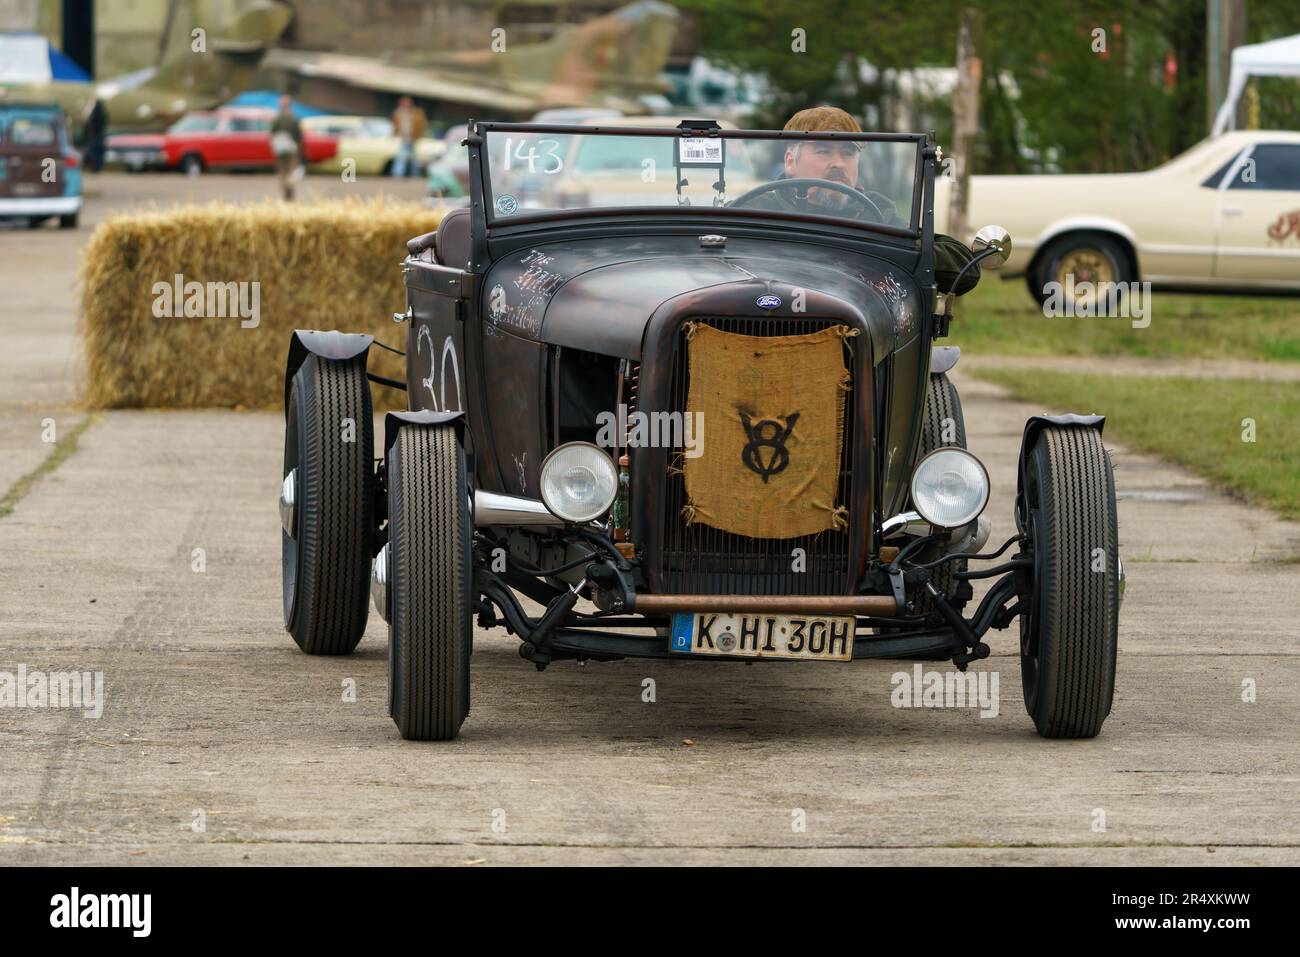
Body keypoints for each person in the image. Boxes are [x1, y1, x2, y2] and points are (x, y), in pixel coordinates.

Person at [745, 106, 979, 295]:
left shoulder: (877, 215)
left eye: (848, 153)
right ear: (790, 162)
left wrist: (887, 248)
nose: (838, 163)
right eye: (823, 151)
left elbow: (965, 270)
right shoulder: (757, 211)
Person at [270, 94, 304, 201]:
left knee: (282, 171)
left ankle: (285, 192)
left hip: (280, 148)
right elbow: (299, 135)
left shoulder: (277, 118)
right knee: (291, 170)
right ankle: (290, 192)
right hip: (292, 148)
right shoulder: (294, 118)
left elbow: (273, 133)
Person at [390, 96, 427, 178]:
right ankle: (398, 174)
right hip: (403, 138)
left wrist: (419, 135)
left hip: (413, 138)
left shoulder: (417, 112)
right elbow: (395, 125)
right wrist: (394, 135)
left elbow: (422, 125)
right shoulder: (398, 113)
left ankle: (415, 174)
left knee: (414, 158)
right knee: (401, 157)